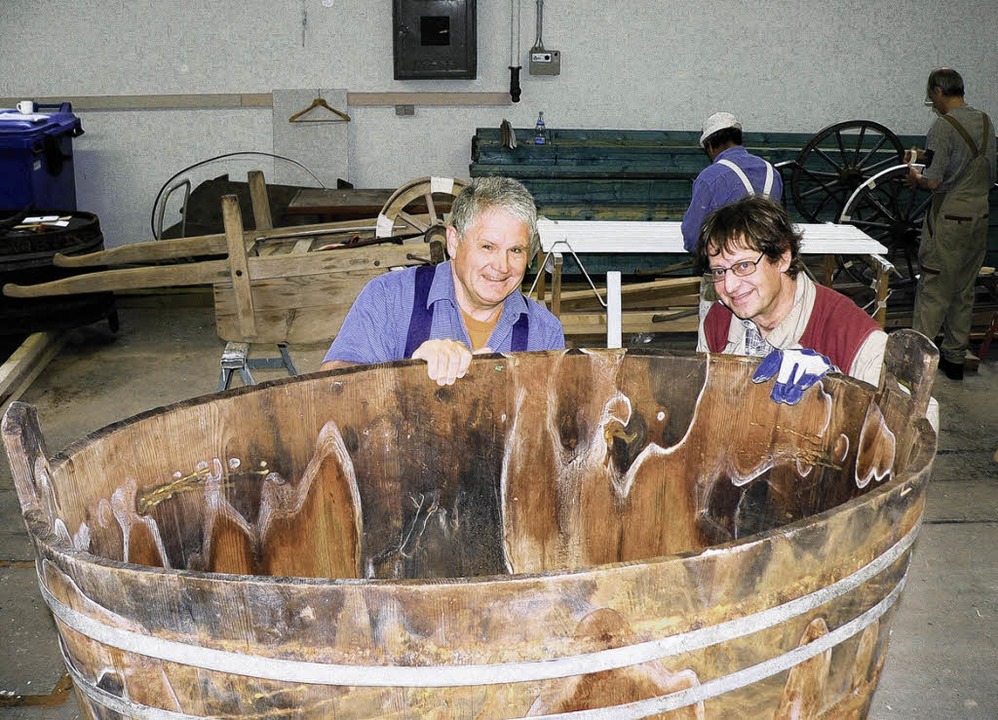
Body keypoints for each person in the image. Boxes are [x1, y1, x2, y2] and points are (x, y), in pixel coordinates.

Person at [320, 176, 565, 385]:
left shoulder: (544, 332)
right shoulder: (388, 297)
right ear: (453, 242)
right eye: (488, 247)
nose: (502, 266)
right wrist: (409, 371)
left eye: (515, 251)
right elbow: (331, 386)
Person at [695, 195, 888, 401]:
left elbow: (912, 424)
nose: (729, 287)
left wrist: (840, 389)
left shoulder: (854, 335)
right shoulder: (716, 322)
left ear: (783, 258)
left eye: (744, 266)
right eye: (719, 271)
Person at [905, 67, 995, 380]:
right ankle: (955, 359)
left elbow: (932, 181)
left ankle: (918, 364)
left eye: (932, 95)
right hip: (980, 216)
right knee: (964, 290)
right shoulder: (985, 120)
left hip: (948, 220)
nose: (932, 101)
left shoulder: (943, 126)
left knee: (933, 291)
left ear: (938, 92)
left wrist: (915, 176)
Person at [681, 112, 783, 253]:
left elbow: (692, 235)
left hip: (729, 264)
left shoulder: (710, 177)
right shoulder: (771, 172)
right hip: (766, 262)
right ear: (738, 138)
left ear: (709, 146)